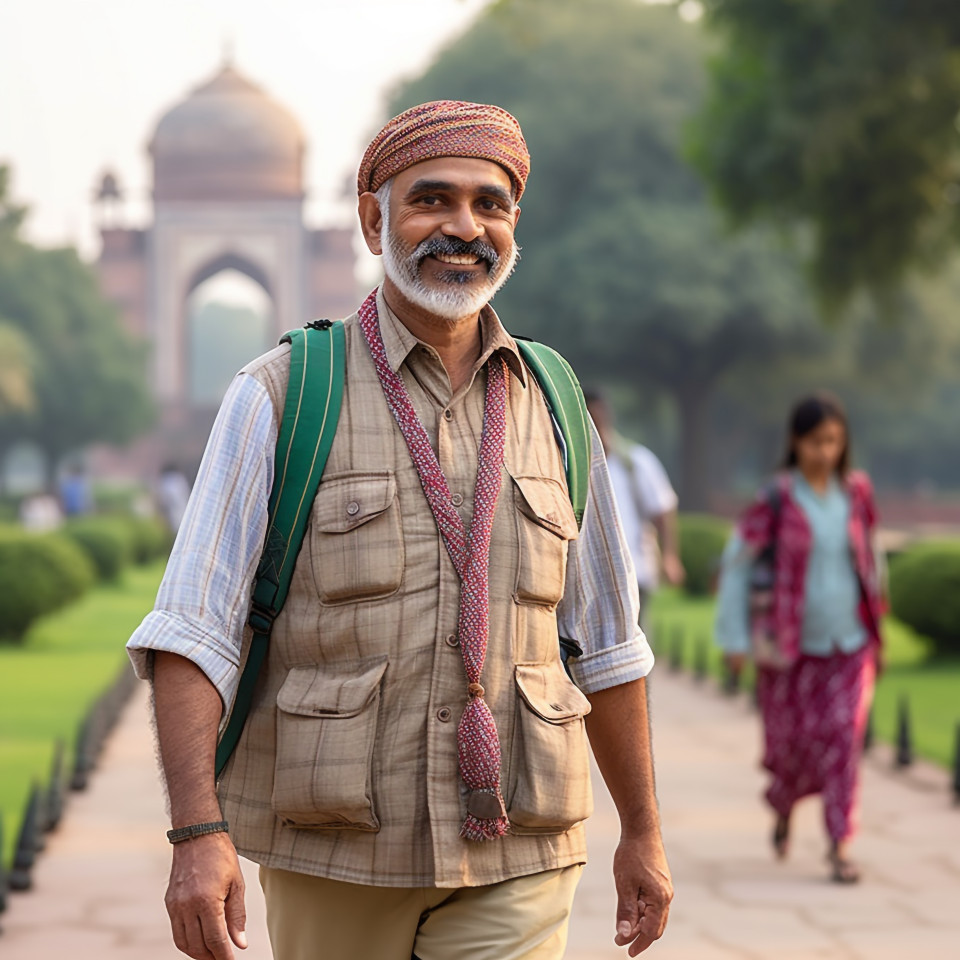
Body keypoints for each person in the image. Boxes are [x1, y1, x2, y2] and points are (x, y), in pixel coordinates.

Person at [127, 100, 672, 960]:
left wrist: (643, 829)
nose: (462, 227)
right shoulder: (284, 395)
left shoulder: (555, 403)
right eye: (432, 200)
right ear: (372, 217)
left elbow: (606, 642)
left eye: (489, 205)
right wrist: (198, 831)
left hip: (519, 843)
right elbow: (192, 629)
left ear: (514, 224)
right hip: (339, 850)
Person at [714, 393, 884, 884]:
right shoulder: (776, 498)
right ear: (795, 441)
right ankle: (785, 806)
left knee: (842, 737)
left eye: (833, 441)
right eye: (815, 441)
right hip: (789, 649)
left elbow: (872, 560)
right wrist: (734, 640)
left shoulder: (857, 493)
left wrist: (880, 630)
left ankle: (839, 842)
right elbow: (738, 566)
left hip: (849, 642)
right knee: (793, 746)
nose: (825, 452)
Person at [584, 391, 685, 619]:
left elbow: (663, 510)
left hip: (634, 568)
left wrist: (670, 556)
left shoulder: (636, 461)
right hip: (590, 573)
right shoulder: (573, 465)